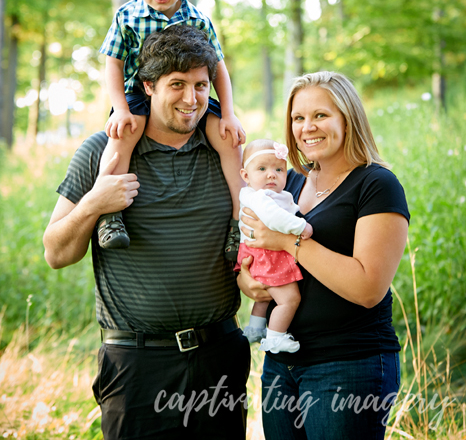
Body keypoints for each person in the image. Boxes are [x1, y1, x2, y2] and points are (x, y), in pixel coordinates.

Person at [43, 25, 251, 440]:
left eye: (200, 85)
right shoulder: (103, 151)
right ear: (148, 86)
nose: (192, 99)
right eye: (177, 85)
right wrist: (94, 204)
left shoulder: (226, 151)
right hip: (135, 365)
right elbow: (56, 253)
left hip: (219, 356)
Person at [237, 71, 410, 440]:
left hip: (347, 365)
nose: (306, 127)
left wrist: (289, 243)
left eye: (320, 115)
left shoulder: (376, 184)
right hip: (281, 363)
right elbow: (253, 241)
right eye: (298, 118)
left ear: (347, 118)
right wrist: (249, 280)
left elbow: (368, 288)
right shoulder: (289, 182)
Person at [97, 0, 244, 257]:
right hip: (139, 92)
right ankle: (110, 215)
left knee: (228, 139)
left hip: (189, 95)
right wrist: (119, 108)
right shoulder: (128, 16)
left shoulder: (197, 19)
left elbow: (218, 67)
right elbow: (112, 64)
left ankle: (240, 221)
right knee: (123, 134)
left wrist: (229, 114)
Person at [236, 139, 313, 354]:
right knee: (289, 299)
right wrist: (300, 226)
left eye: (279, 169)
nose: (272, 174)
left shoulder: (258, 194)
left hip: (256, 254)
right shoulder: (262, 197)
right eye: (262, 168)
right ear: (245, 175)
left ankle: (255, 327)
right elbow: (274, 218)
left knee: (267, 294)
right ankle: (276, 338)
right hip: (267, 255)